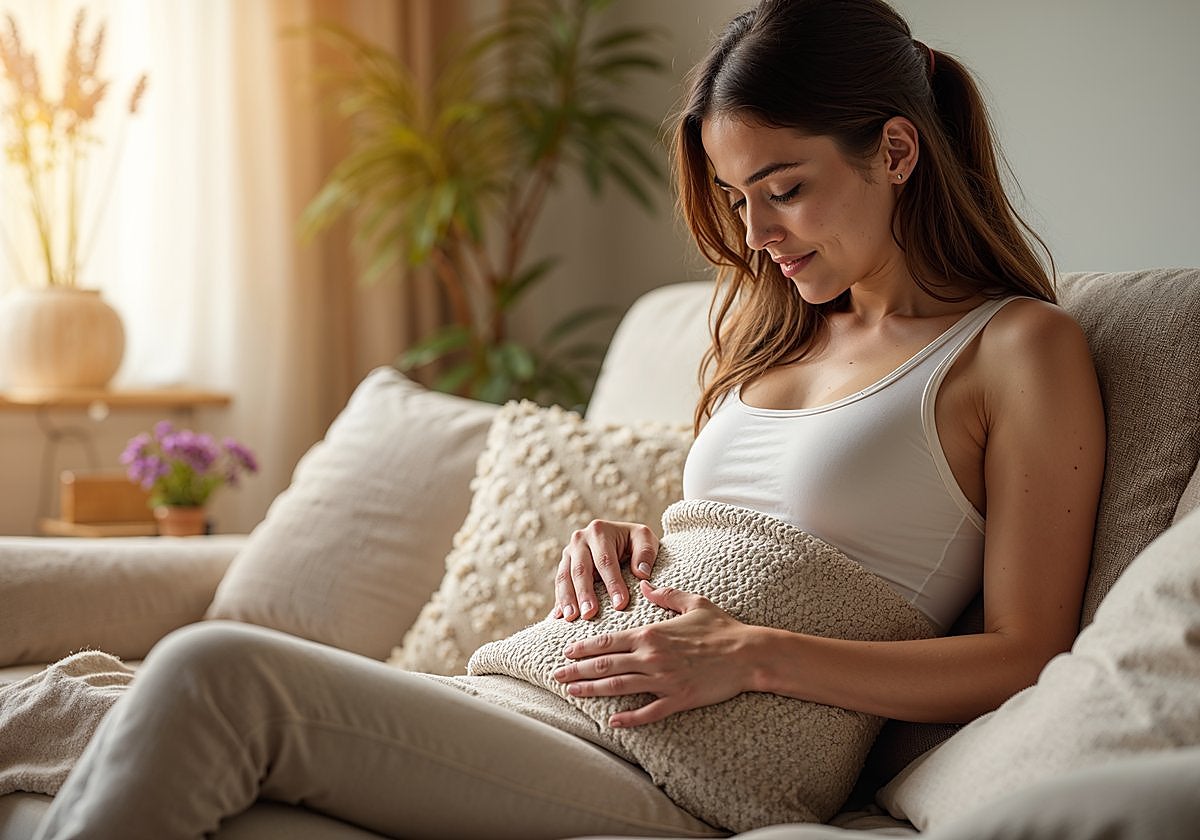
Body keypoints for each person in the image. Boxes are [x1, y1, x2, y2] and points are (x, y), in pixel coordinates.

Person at [34, 1, 1105, 838]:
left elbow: (1027, 651)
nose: (756, 233)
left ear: (898, 152)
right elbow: (749, 527)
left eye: (783, 188)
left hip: (689, 766)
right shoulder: (773, 332)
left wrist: (754, 656)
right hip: (548, 688)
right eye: (737, 197)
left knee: (219, 672)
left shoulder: (1018, 349)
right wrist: (628, 541)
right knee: (104, 700)